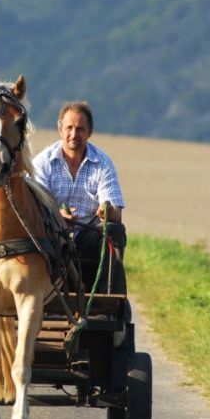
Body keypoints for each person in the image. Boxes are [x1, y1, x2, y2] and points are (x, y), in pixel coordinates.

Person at [33, 101, 127, 294]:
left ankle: (110, 303)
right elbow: (37, 206)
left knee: (114, 230)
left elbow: (115, 211)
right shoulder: (43, 163)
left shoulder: (103, 163)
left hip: (87, 237)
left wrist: (108, 211)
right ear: (60, 130)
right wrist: (58, 217)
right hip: (51, 237)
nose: (74, 135)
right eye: (69, 128)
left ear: (89, 132)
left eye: (80, 129)